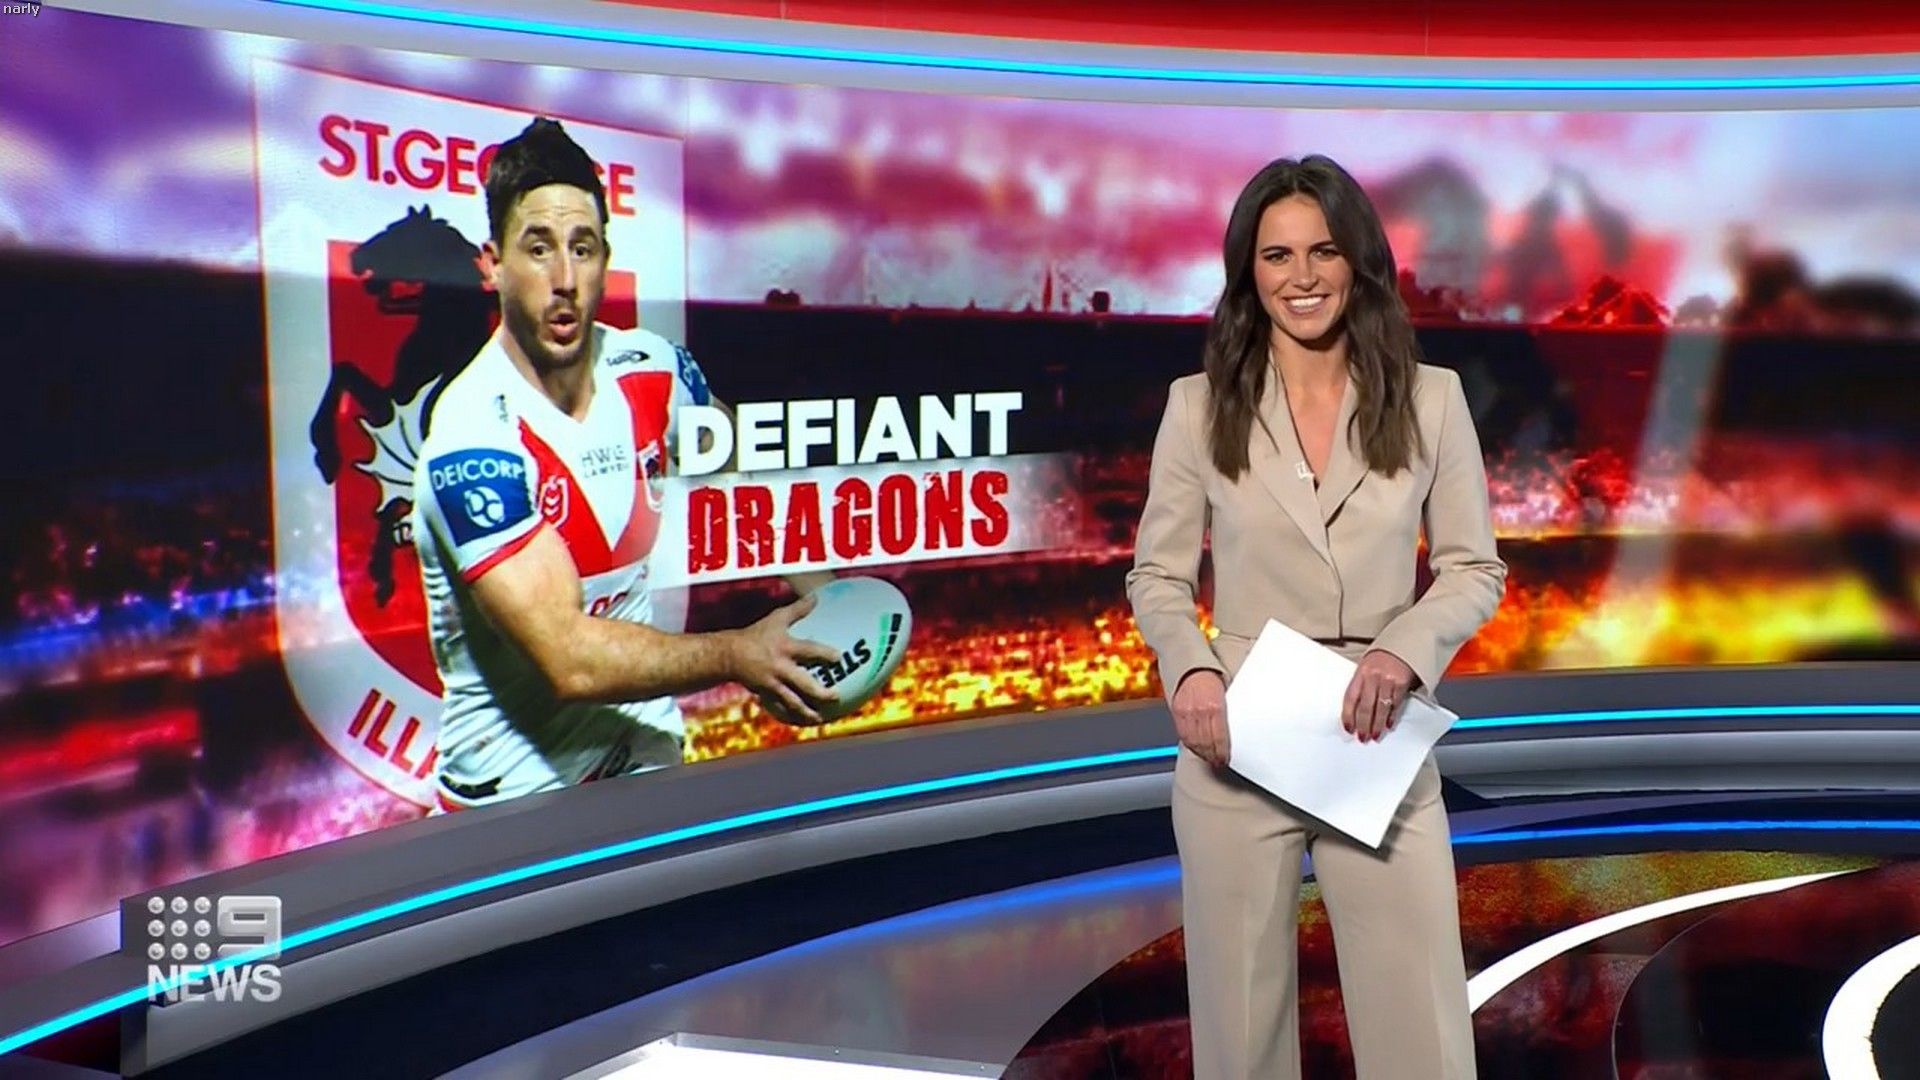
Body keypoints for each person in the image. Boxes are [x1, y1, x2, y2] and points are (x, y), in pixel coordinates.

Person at [1125, 155, 1507, 1079]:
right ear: (1249, 273)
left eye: (1323, 251)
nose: (1302, 277)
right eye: (1277, 255)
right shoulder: (1197, 406)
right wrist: (1192, 669)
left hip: (1375, 737)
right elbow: (1156, 576)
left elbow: (1473, 569)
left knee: (1420, 1030)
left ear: (1358, 261)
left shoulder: (1432, 398)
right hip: (1237, 737)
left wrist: (1401, 655)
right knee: (1240, 1035)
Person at [412, 117, 838, 813]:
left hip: (645, 757)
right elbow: (569, 659)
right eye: (538, 249)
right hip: (514, 806)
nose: (564, 280)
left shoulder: (653, 368)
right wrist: (740, 653)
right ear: (493, 265)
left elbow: (753, 485)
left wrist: (830, 612)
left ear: (605, 259)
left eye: (582, 249)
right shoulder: (472, 436)